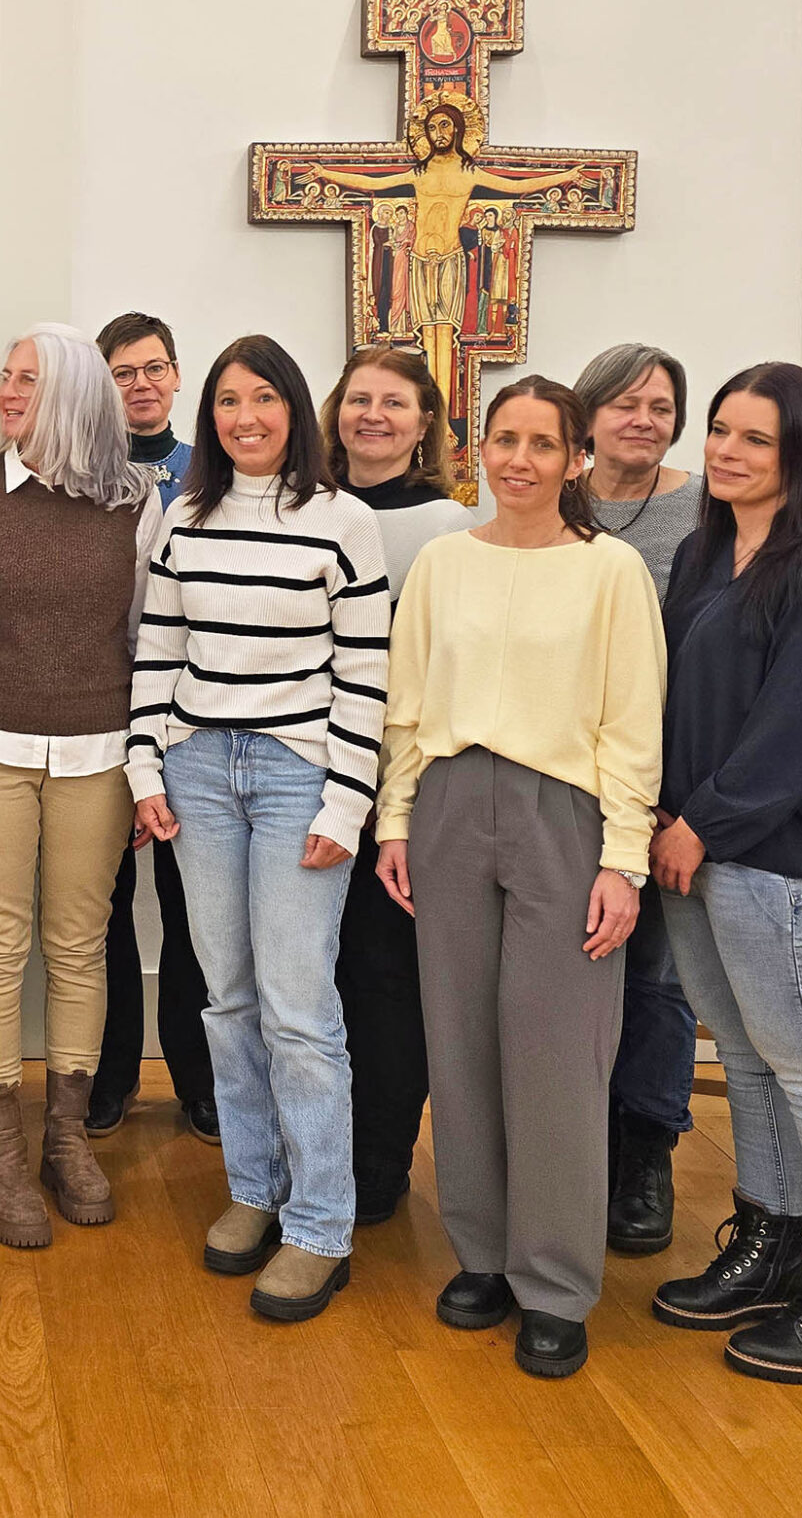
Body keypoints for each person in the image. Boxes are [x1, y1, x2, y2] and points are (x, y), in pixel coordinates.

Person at [372, 375, 664, 1378]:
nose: (521, 461)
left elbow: (633, 724)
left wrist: (623, 859)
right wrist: (395, 821)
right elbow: (407, 704)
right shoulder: (444, 562)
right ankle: (483, 1254)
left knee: (556, 1055)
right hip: (450, 806)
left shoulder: (610, 571)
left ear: (576, 458)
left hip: (563, 815)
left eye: (544, 444)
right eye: (505, 440)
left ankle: (554, 1283)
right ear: (478, 449)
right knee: (459, 1044)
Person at [643, 362, 802, 1383]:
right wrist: (667, 814)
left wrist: (701, 824)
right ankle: (772, 1244)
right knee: (748, 1063)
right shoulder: (702, 552)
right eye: (719, 430)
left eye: (755, 438)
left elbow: (795, 729)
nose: (726, 451)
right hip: (694, 849)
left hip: (785, 864)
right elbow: (675, 700)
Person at [129, 336, 389, 1322]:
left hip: (295, 778)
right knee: (227, 999)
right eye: (229, 400)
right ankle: (255, 1189)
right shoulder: (183, 517)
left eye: (265, 398)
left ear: (295, 410)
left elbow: (366, 672)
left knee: (297, 1008)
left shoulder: (342, 520)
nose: (246, 416)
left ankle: (320, 1226)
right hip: (198, 771)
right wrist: (143, 766)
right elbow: (158, 651)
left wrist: (346, 801)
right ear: (210, 416)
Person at [0, 324, 166, 1247]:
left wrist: (145, 765)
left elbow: (147, 641)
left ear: (72, 393)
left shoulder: (136, 501)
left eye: (29, 378)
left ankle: (66, 1134)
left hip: (98, 751)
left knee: (78, 944)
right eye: (7, 376)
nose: (9, 392)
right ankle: (4, 1151)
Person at [321, 346, 470, 1224]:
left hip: (398, 789)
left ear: (424, 426)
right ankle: (314, 1148)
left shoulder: (452, 527)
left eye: (394, 402)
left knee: (384, 979)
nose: (372, 415)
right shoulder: (305, 507)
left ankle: (378, 1158)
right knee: (311, 975)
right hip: (304, 775)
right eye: (358, 399)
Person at [574, 342, 702, 1256]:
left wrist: (673, 797)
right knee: (573, 976)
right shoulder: (553, 501)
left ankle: (645, 1153)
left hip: (669, 791)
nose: (643, 420)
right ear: (588, 416)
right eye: (624, 404)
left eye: (660, 406)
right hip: (563, 788)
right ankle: (573, 1149)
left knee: (656, 979)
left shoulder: (708, 509)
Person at [90, 312, 218, 1144]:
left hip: (193, 718)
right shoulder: (83, 475)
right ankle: (110, 1075)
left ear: (176, 375)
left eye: (154, 368)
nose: (141, 384)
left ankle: (198, 1078)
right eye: (123, 372)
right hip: (104, 715)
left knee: (190, 908)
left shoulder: (212, 473)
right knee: (101, 906)